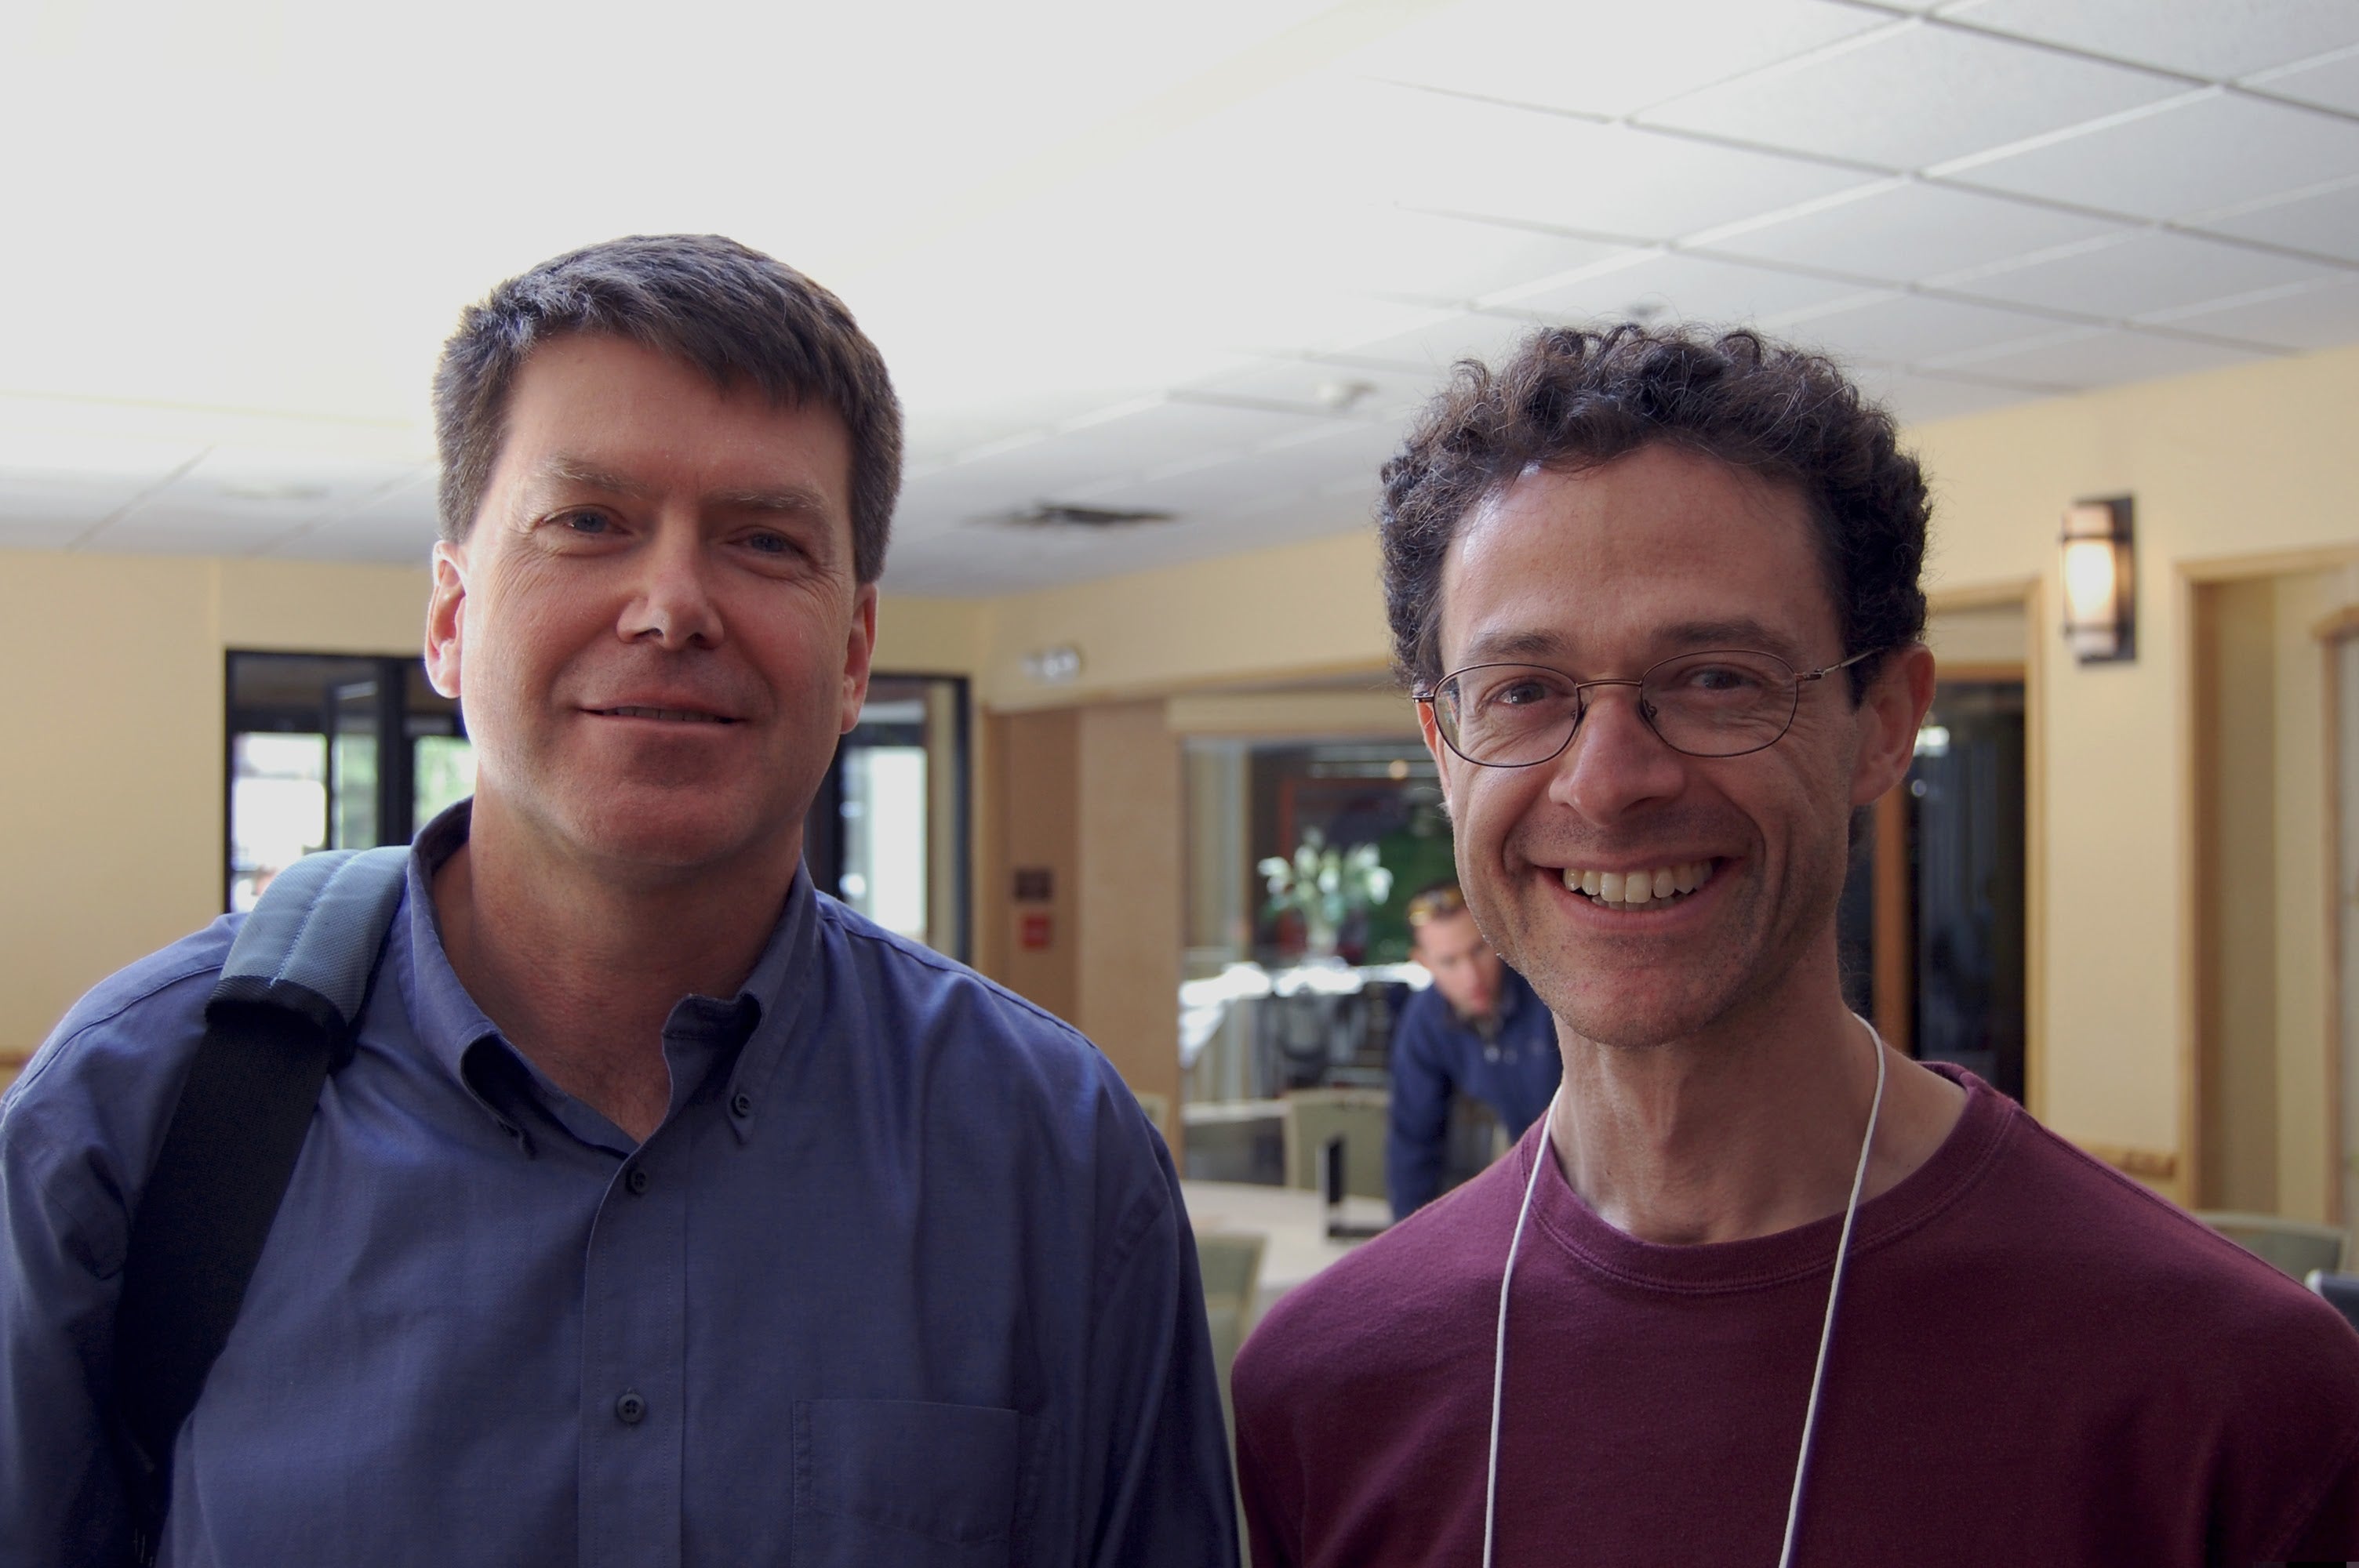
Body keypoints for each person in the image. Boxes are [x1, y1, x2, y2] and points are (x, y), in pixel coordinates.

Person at [1, 235, 1237, 1566]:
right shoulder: (135, 1112)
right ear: (450, 619)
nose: (672, 606)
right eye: (588, 521)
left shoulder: (1053, 1155)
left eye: (764, 541)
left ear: (854, 654)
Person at [1231, 324, 2359, 1566]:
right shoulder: (1325, 1394)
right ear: (1445, 753)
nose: (1607, 783)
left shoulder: (2235, 1395)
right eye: (1523, 691)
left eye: (1716, 677)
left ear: (1884, 724)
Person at [1386, 882, 1559, 1218]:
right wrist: (1409, 1237)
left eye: (1478, 950)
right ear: (1424, 962)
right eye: (1449, 962)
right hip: (1526, 1183)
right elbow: (1414, 1141)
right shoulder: (1425, 1020)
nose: (1471, 976)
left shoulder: (1547, 989)